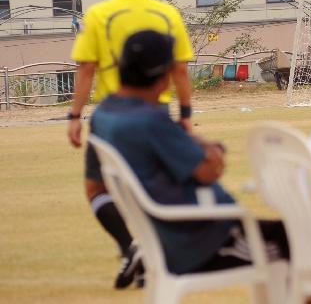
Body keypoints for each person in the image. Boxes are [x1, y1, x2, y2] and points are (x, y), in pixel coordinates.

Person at [90, 30, 288, 275]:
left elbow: (95, 185)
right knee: (304, 243)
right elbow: (208, 172)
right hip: (207, 240)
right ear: (163, 77)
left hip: (170, 236)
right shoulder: (150, 120)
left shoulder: (104, 115)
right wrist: (212, 151)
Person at [67, 0, 195, 288]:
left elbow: (86, 68)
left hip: (110, 117)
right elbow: (180, 70)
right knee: (151, 188)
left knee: (97, 187)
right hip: (156, 115)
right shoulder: (167, 13)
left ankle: (130, 246)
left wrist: (74, 116)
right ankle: (149, 250)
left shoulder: (97, 15)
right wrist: (184, 113)